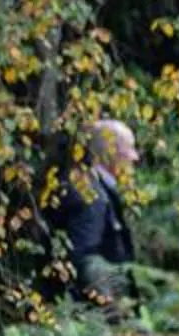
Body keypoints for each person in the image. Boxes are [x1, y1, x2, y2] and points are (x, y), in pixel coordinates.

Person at [51, 117, 139, 301]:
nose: (134, 157)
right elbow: (85, 261)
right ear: (109, 152)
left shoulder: (95, 187)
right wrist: (112, 311)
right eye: (129, 148)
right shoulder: (91, 196)